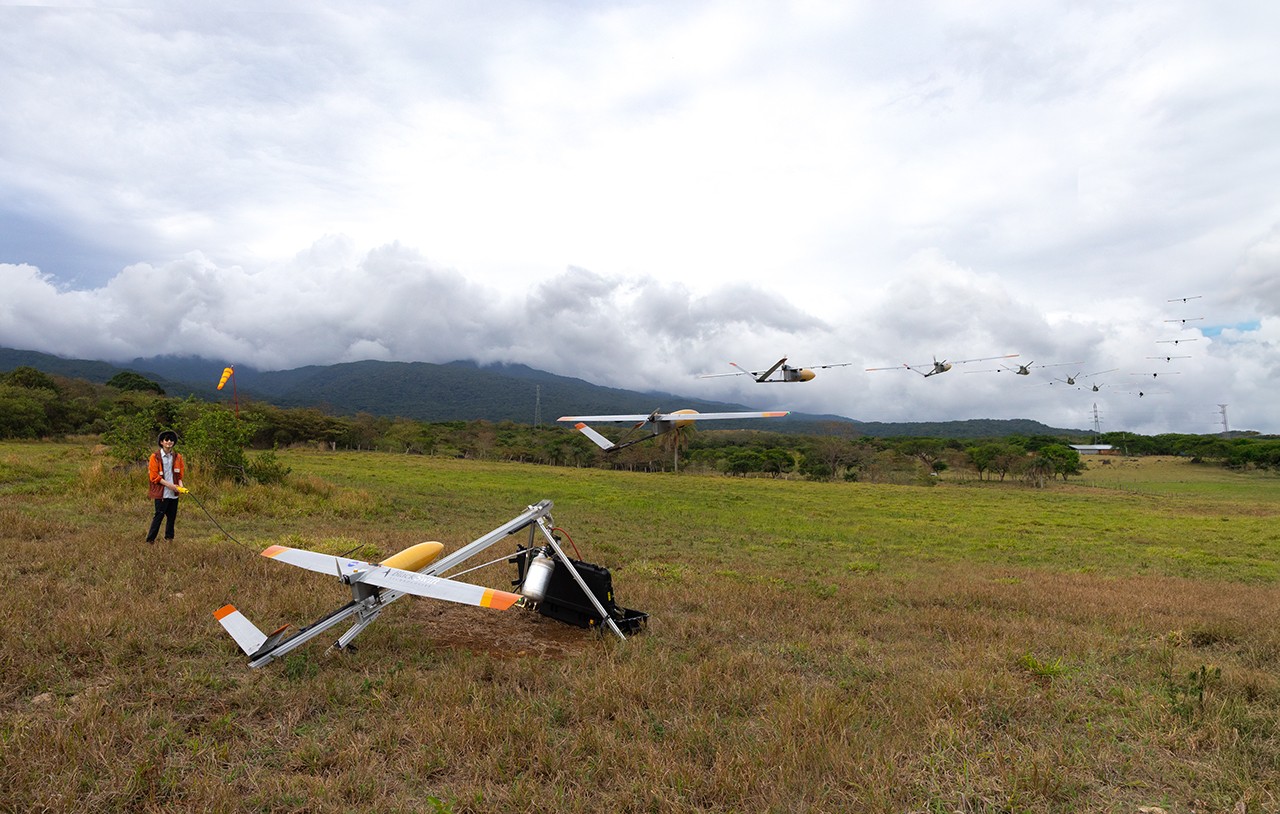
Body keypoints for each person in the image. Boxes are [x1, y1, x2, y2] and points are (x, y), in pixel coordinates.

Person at [146, 430, 188, 543]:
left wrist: (180, 486)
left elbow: (179, 475)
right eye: (167, 440)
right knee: (158, 516)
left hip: (173, 493)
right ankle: (150, 540)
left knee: (171, 518)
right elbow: (154, 477)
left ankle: (169, 539)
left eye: (171, 440)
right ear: (161, 442)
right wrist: (169, 485)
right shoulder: (155, 457)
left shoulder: (177, 457)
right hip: (162, 493)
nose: (169, 442)